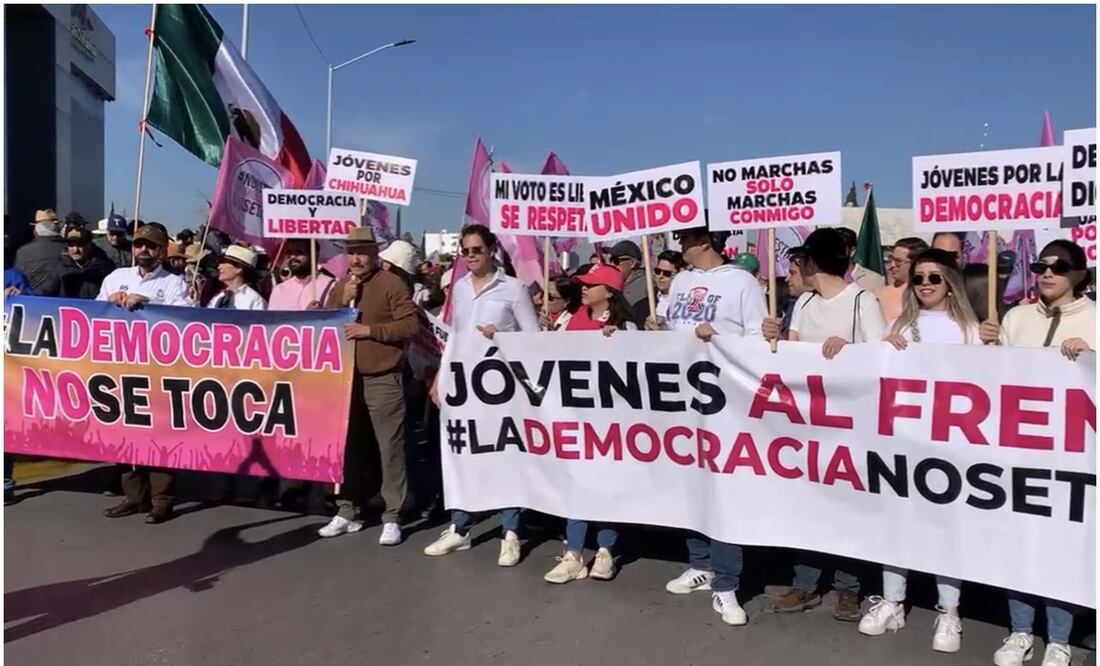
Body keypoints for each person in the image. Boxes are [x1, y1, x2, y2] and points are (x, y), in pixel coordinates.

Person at [978, 240, 1093, 666]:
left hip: (1071, 461)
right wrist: (987, 345)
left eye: (1059, 267)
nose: (1047, 273)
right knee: (1021, 545)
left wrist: (1092, 357)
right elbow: (991, 381)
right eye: (1040, 265)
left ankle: (1059, 638)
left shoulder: (1096, 319)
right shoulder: (1016, 317)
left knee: (1061, 548)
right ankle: (1021, 630)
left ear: (1079, 274)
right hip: (1017, 453)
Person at [762, 227, 886, 621]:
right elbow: (791, 354)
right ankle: (806, 582)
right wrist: (773, 338)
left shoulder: (862, 300)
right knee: (808, 505)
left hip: (849, 424)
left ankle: (848, 588)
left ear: (814, 261)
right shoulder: (805, 304)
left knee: (847, 506)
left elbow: (880, 356)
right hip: (806, 422)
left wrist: (849, 351)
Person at [859, 248, 978, 653]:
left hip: (951, 446)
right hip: (902, 443)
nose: (926, 284)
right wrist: (883, 348)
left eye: (934, 278)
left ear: (950, 283)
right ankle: (893, 601)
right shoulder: (901, 325)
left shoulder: (969, 329)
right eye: (919, 278)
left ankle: (949, 612)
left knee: (947, 528)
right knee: (897, 523)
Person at [651, 227, 766, 627]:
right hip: (682, 398)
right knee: (692, 482)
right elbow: (672, 330)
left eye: (685, 241)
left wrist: (716, 336)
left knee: (723, 488)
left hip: (724, 400)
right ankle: (699, 563)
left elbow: (756, 339)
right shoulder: (681, 280)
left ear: (704, 243)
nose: (680, 247)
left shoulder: (742, 282)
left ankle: (726, 584)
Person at [424, 224, 539, 565]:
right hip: (463, 386)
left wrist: (501, 333)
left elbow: (532, 341)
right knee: (462, 453)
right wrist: (440, 377)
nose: (471, 256)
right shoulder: (458, 288)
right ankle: (460, 528)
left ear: (492, 251)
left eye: (477, 249)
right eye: (465, 250)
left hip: (501, 389)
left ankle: (511, 532)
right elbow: (454, 337)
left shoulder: (514, 289)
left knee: (505, 455)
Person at [320, 227, 420, 546]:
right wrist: (341, 300)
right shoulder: (341, 285)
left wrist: (370, 330)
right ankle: (348, 509)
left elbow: (410, 325)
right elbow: (326, 326)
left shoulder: (391, 284)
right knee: (347, 446)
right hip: (346, 379)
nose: (357, 258)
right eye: (352, 252)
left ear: (376, 254)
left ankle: (392, 514)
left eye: (362, 252)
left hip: (382, 377)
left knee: (389, 448)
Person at [542, 263, 634, 584]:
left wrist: (622, 342)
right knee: (576, 483)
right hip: (576, 416)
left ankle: (606, 549)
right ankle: (574, 552)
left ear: (609, 291)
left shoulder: (626, 326)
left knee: (605, 484)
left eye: (590, 284)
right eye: (582, 283)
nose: (582, 288)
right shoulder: (570, 321)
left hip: (611, 422)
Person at [99, 223, 191, 524]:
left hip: (157, 370)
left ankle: (161, 500)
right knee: (124, 432)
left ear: (162, 250)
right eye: (139, 244)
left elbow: (188, 318)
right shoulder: (116, 278)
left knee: (159, 434)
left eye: (150, 245)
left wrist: (149, 304)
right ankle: (134, 496)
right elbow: (92, 316)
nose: (144, 250)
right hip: (120, 368)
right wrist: (110, 304)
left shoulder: (175, 283)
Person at [267, 239, 335, 311]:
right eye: (289, 253)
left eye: (298, 253)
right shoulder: (279, 290)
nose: (292, 257)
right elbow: (273, 321)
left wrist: (319, 316)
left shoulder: (331, 286)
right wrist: (305, 316)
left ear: (314, 254)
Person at [15, 209, 66, 296]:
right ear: (57, 229)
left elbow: (17, 278)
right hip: (63, 302)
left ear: (35, 231)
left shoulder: (22, 251)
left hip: (31, 301)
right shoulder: (68, 249)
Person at [879, 237, 930, 322]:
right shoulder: (881, 293)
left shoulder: (927, 293)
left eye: (898, 262)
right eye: (891, 259)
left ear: (915, 263)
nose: (891, 265)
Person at [58, 227, 114, 299]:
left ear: (89, 245)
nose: (75, 250)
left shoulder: (105, 268)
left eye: (80, 245)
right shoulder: (59, 269)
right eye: (71, 245)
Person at [206, 245, 267, 310]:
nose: (219, 267)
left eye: (224, 263)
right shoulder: (219, 297)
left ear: (239, 268)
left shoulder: (255, 300)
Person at [608, 240, 648, 321]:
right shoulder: (616, 283)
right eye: (610, 260)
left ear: (632, 263)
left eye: (616, 260)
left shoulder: (645, 284)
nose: (611, 264)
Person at [653, 250, 685, 319]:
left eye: (667, 273)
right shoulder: (645, 304)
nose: (660, 276)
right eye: (658, 271)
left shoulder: (686, 303)